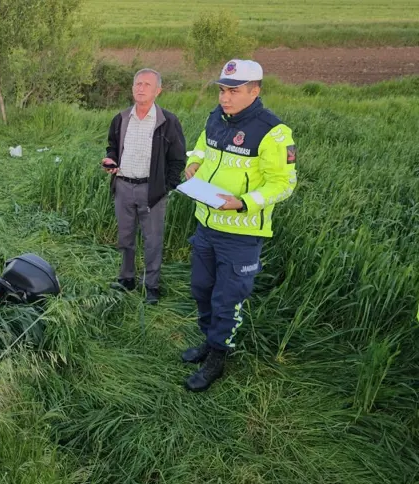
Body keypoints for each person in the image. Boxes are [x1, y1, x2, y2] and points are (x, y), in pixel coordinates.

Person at [181, 59, 297, 392]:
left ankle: (218, 358)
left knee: (226, 299)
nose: (224, 98)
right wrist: (194, 162)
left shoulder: (273, 132)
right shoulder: (216, 118)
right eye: (222, 90)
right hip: (206, 224)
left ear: (255, 91)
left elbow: (284, 184)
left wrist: (243, 202)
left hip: (241, 235)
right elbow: (202, 146)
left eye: (233, 92)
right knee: (201, 289)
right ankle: (208, 341)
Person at [101, 68, 186, 305]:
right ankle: (126, 278)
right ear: (132, 88)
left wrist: (166, 187)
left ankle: (152, 286)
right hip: (123, 186)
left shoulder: (167, 121)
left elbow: (178, 158)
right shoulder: (121, 118)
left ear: (158, 91)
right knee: (125, 237)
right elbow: (112, 146)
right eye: (138, 84)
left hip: (152, 191)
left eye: (147, 85)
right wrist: (111, 160)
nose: (141, 88)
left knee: (153, 240)